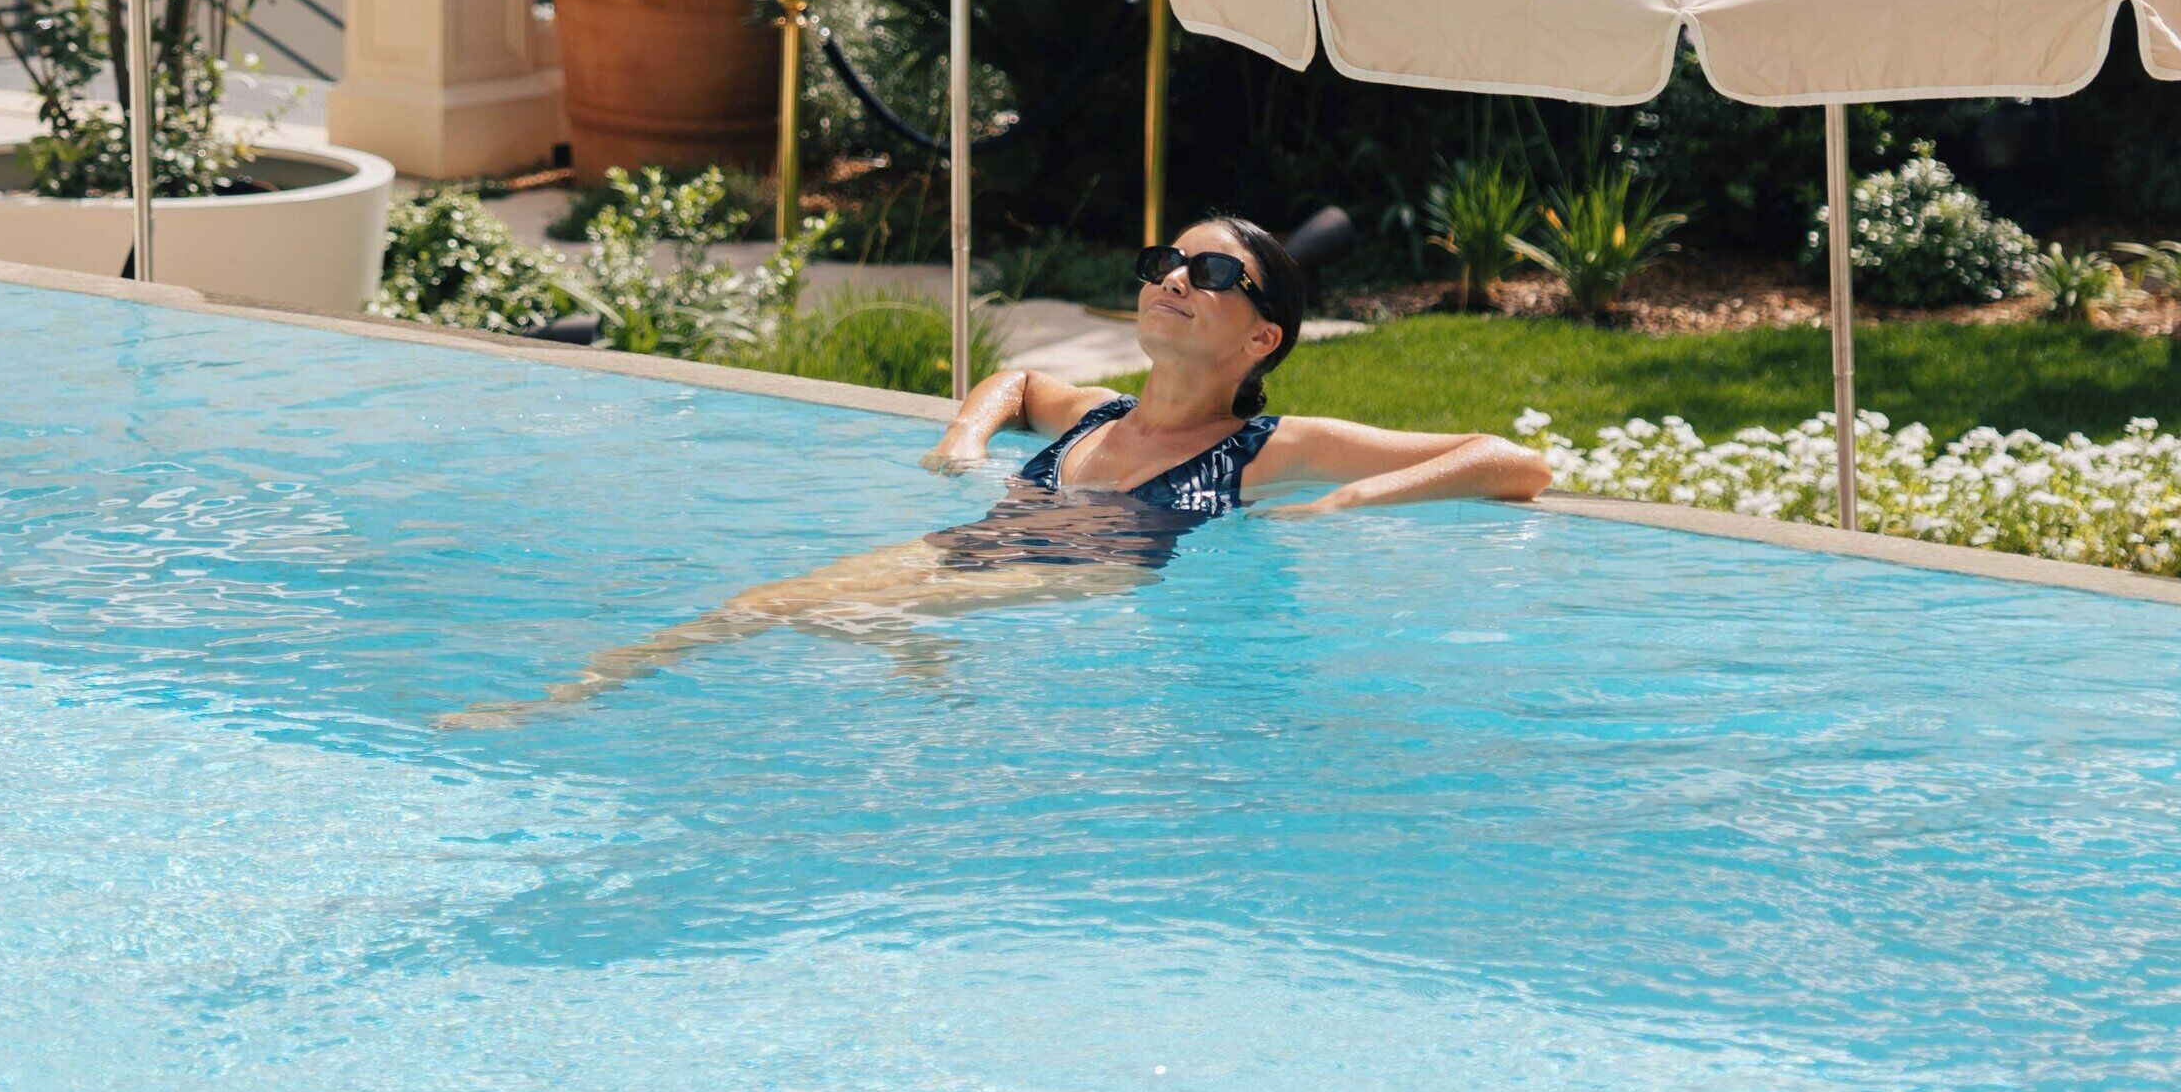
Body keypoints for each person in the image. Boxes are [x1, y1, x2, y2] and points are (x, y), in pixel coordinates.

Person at [437, 216, 1549, 728]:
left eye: (1210, 271)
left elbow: (1511, 459)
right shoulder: (1099, 412)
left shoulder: (1273, 447)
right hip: (979, 546)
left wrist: (1352, 498)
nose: (1172, 275)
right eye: (1166, 257)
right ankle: (559, 700)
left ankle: (912, 638)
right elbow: (1017, 379)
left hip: (1093, 568)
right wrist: (966, 440)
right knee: (759, 603)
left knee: (872, 608)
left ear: (1261, 337)